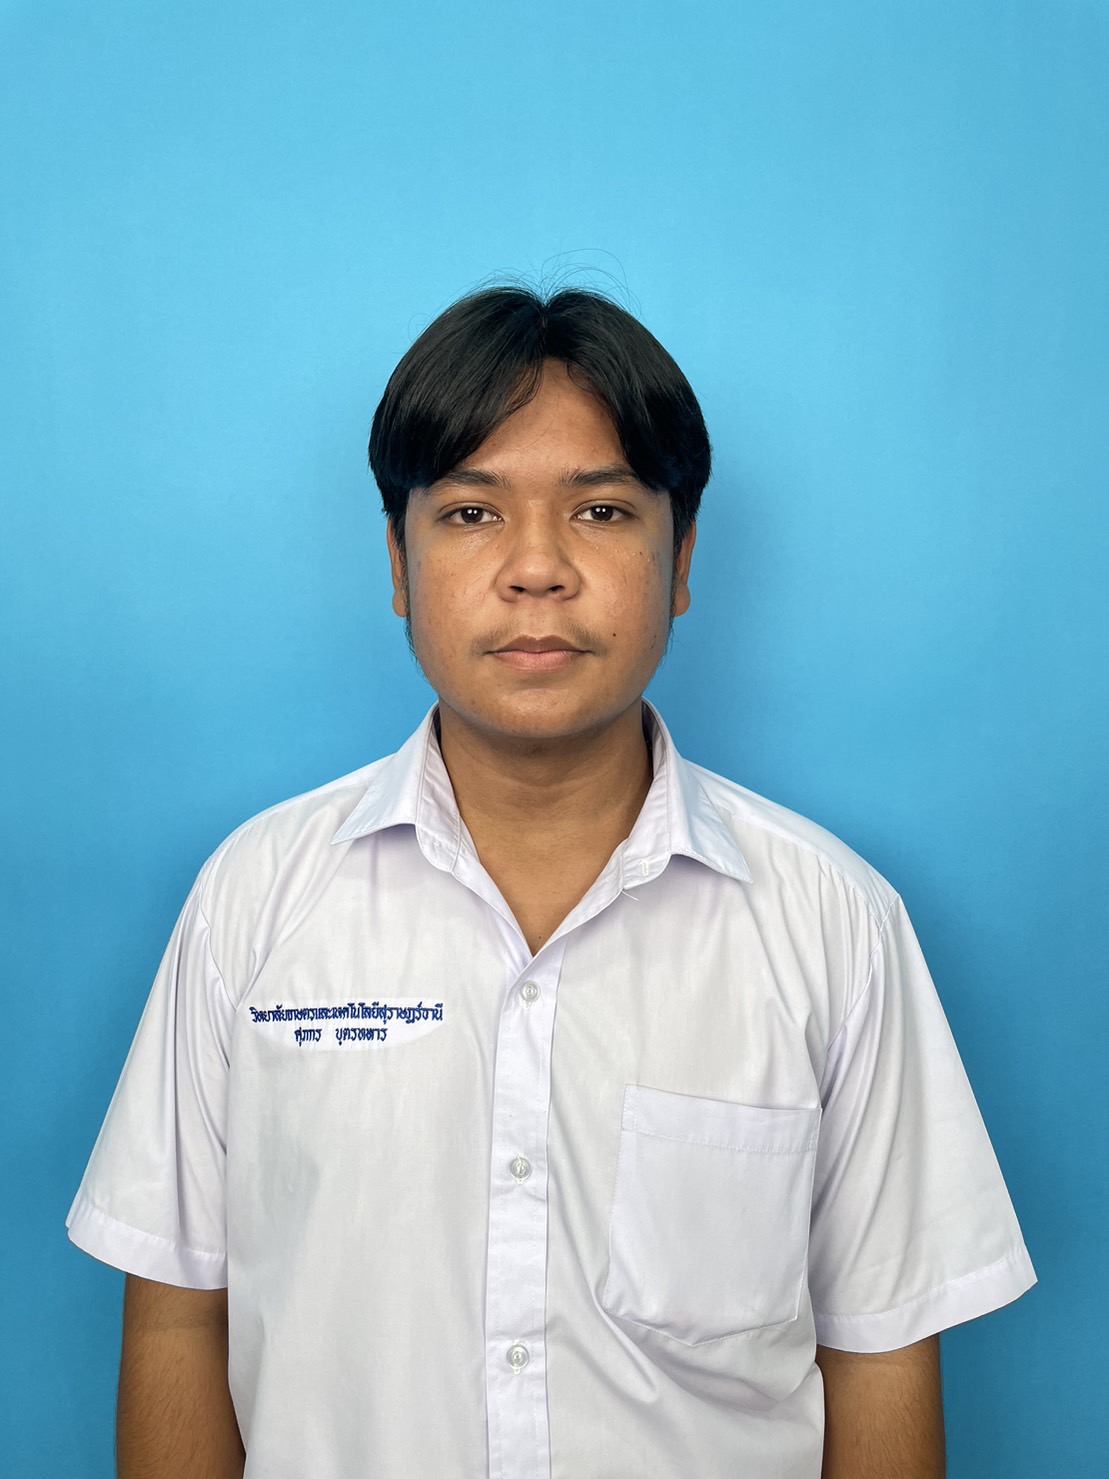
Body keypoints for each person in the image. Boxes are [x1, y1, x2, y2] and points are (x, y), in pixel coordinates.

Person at [68, 286, 1035, 1479]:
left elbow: (880, 1355)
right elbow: (177, 1318)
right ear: (397, 560)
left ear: (680, 559)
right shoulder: (254, 898)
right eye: (471, 512)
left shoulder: (831, 922)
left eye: (600, 511)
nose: (536, 569)